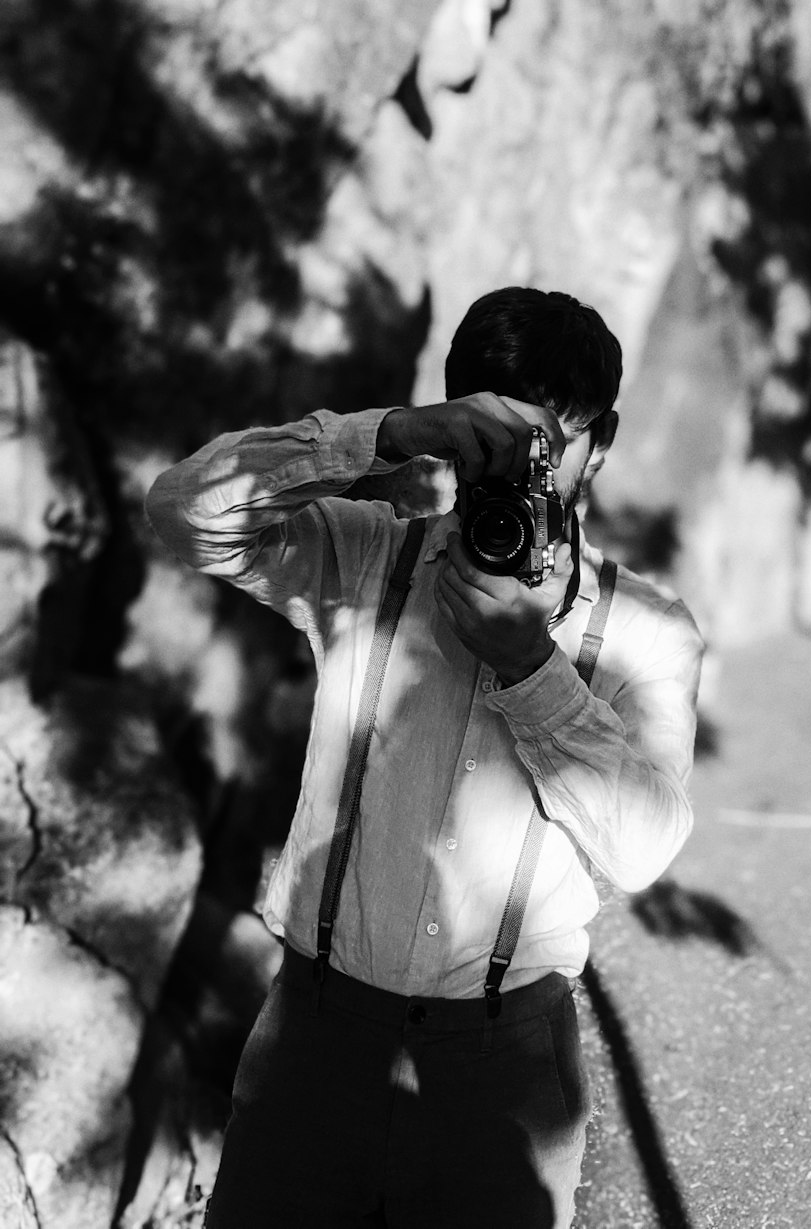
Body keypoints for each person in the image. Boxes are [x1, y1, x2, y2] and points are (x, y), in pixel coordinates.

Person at [146, 286, 704, 1229]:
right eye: (495, 442)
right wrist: (385, 434)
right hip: (316, 1040)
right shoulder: (369, 558)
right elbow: (181, 512)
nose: (523, 475)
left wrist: (533, 671)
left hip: (502, 1062)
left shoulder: (646, 630)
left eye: (551, 446)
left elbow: (644, 850)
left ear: (600, 442)